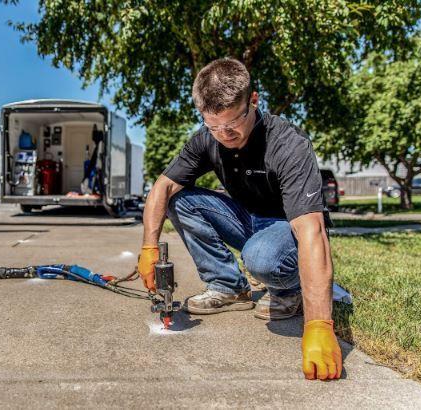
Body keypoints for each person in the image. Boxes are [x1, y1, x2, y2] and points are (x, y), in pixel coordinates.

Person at [137, 58, 342, 381]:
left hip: (287, 227)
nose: (224, 134)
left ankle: (289, 291)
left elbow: (312, 230)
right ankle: (228, 287)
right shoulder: (207, 139)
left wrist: (319, 325)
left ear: (254, 101)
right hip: (248, 220)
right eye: (213, 126)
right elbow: (162, 187)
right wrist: (148, 247)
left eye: (232, 123)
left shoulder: (287, 144)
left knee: (261, 256)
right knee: (178, 198)